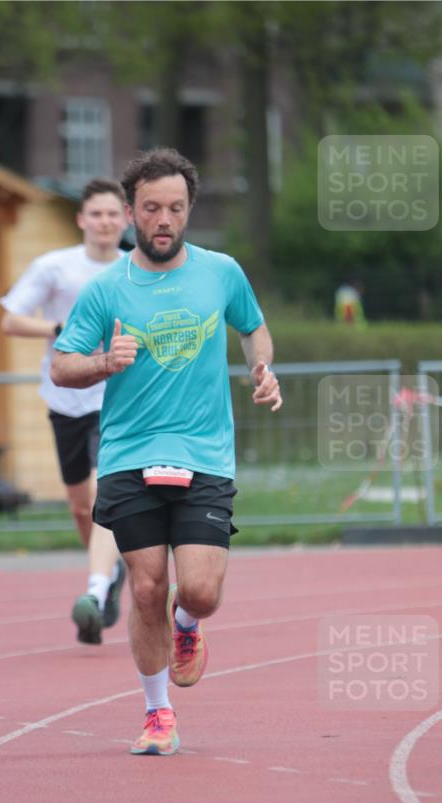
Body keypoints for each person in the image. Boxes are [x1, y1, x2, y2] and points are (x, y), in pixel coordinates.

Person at [51, 148, 282, 755]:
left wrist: (262, 368)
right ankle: (158, 713)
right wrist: (103, 362)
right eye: (151, 208)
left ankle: (188, 624)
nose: (164, 220)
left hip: (205, 453)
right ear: (131, 212)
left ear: (189, 210)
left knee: (198, 590)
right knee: (148, 586)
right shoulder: (106, 289)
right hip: (129, 454)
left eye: (175, 208)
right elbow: (61, 365)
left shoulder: (221, 272)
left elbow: (253, 328)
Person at [0, 178, 128, 645]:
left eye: (113, 214)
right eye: (96, 214)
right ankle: (109, 573)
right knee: (79, 506)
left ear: (125, 219)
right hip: (66, 396)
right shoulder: (55, 266)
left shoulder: (134, 268)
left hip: (114, 397)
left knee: (101, 492)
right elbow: (11, 319)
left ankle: (96, 588)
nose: (105, 222)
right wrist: (57, 328)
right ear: (81, 220)